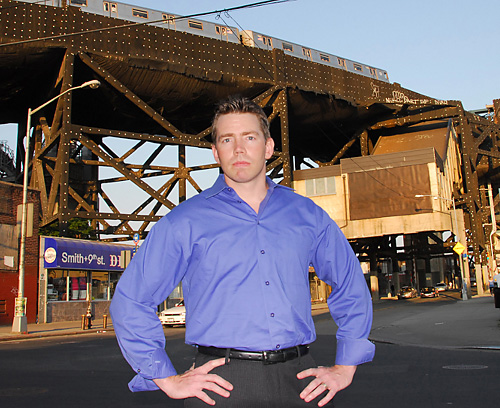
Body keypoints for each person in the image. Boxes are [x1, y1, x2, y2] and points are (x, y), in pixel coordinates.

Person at [110, 95, 375, 407]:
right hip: (221, 385)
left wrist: (346, 365)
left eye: (249, 137)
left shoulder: (308, 215)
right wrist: (165, 377)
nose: (238, 149)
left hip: (300, 381)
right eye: (227, 139)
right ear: (216, 151)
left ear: (268, 147)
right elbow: (131, 300)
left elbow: (350, 284)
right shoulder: (183, 221)